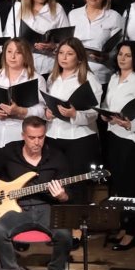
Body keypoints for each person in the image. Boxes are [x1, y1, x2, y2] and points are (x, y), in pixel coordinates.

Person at [0, 116, 73, 270]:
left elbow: (68, 196)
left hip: (46, 208)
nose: (37, 142)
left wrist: (61, 195)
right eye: (32, 137)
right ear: (23, 135)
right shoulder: (10, 151)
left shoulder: (57, 156)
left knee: (65, 235)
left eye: (41, 137)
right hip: (17, 208)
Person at [102, 39, 135, 249]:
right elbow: (107, 104)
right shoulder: (114, 78)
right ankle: (123, 225)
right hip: (114, 135)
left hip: (132, 140)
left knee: (130, 186)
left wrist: (129, 123)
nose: (122, 58)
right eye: (120, 54)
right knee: (118, 185)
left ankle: (132, 231)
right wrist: (105, 115)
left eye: (128, 55)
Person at [45, 37, 103, 203]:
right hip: (54, 135)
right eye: (61, 53)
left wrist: (74, 114)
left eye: (69, 54)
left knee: (77, 184)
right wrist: (47, 113)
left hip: (79, 139)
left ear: (79, 57)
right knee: (55, 182)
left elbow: (94, 113)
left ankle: (79, 218)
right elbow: (48, 104)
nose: (64, 57)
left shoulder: (88, 79)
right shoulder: (53, 77)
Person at [6, 0, 67, 78]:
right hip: (22, 69)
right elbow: (8, 37)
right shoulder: (18, 7)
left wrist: (54, 47)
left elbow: (67, 41)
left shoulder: (57, 9)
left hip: (48, 69)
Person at [70, 0, 123, 85]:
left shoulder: (114, 16)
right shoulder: (73, 14)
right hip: (75, 75)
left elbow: (119, 48)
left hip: (101, 76)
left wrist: (107, 56)